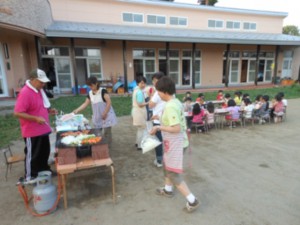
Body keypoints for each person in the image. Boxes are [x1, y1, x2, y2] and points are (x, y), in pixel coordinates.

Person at [150, 76, 199, 213]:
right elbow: (174, 118)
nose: (157, 94)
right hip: (176, 141)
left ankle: (192, 200)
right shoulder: (176, 101)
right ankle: (168, 190)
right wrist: (159, 117)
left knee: (173, 173)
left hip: (176, 142)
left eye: (158, 92)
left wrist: (158, 127)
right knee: (167, 166)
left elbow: (176, 127)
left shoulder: (171, 105)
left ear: (164, 91)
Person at [14, 68, 58, 182]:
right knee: (33, 155)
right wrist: (35, 118)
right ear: (32, 79)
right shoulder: (25, 93)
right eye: (41, 82)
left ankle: (44, 170)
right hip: (32, 131)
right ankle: (31, 176)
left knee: (44, 152)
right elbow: (17, 113)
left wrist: (49, 111)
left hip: (43, 129)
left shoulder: (38, 91)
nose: (43, 84)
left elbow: (38, 107)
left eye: (44, 82)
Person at [73, 76, 117, 144]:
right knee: (97, 132)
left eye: (92, 86)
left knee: (107, 133)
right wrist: (77, 110)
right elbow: (85, 103)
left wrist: (105, 113)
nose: (91, 87)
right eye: (89, 86)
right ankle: (99, 146)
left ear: (96, 83)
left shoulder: (103, 91)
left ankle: (107, 147)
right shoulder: (90, 93)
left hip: (106, 115)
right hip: (97, 116)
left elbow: (109, 102)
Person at [149, 72, 165, 167]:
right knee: (167, 141)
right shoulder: (170, 91)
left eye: (156, 81)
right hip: (167, 120)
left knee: (158, 141)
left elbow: (151, 105)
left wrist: (151, 96)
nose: (154, 83)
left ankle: (159, 161)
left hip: (158, 121)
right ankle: (167, 160)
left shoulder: (157, 92)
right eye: (153, 81)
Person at [131, 76, 148, 150]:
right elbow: (140, 104)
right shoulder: (139, 92)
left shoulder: (135, 90)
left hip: (136, 111)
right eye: (142, 83)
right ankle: (139, 145)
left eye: (144, 83)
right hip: (139, 112)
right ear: (138, 83)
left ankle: (137, 142)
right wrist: (148, 103)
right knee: (142, 128)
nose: (143, 85)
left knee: (139, 128)